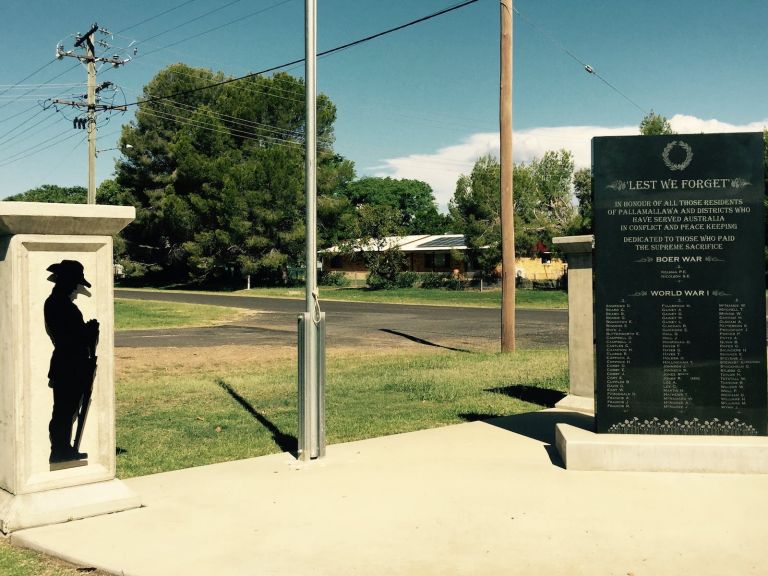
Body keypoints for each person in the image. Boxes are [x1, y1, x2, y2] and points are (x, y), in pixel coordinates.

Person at [44, 260, 99, 464]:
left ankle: (63, 448)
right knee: (64, 411)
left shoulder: (58, 303)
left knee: (66, 410)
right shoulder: (61, 305)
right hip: (69, 364)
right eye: (75, 282)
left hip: (70, 363)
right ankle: (60, 450)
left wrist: (85, 331)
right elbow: (71, 338)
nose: (77, 288)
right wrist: (89, 332)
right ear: (66, 281)